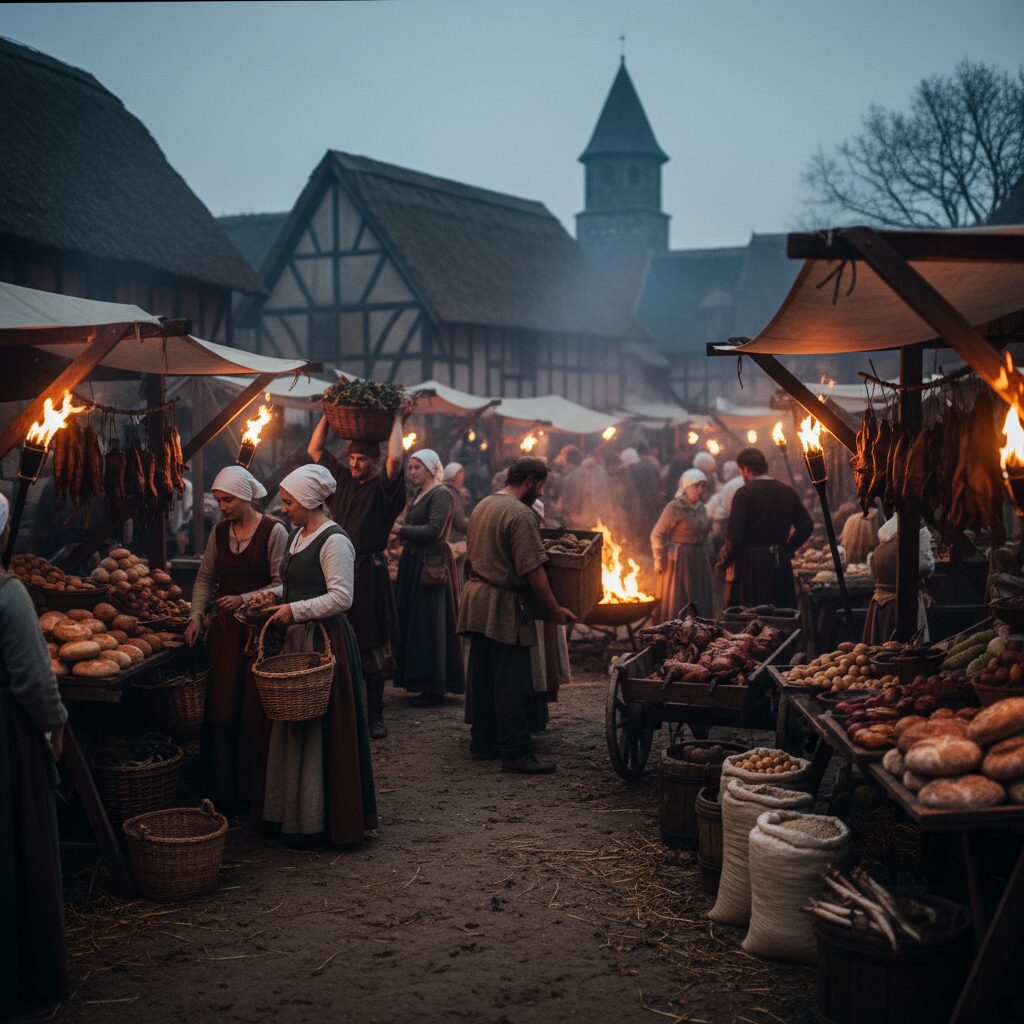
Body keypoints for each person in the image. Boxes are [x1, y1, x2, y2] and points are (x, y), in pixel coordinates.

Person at [259, 465, 377, 846]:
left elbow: (342, 597)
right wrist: (266, 599)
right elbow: (295, 586)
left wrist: (295, 610)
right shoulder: (297, 536)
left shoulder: (334, 540)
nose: (284, 508)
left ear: (309, 501)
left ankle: (323, 819)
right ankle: (294, 815)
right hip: (297, 639)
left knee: (321, 731)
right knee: (296, 727)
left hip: (324, 643)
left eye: (289, 502)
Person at [458, 457, 576, 774]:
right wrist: (553, 608)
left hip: (476, 598)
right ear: (529, 481)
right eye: (541, 486)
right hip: (501, 602)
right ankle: (516, 753)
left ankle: (483, 741)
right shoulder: (521, 514)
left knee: (483, 674)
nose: (541, 492)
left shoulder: (484, 504)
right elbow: (532, 569)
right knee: (512, 679)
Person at [0, 493, 69, 1011]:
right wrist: (55, 722)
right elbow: (34, 680)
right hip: (6, 738)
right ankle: (21, 974)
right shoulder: (9, 595)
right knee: (16, 845)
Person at [185, 466, 287, 814]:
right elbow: (205, 578)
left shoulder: (274, 531)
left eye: (227, 500)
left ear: (245, 497)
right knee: (222, 706)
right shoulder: (219, 533)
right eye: (218, 501)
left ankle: (255, 793)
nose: (221, 507)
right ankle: (224, 792)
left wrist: (244, 599)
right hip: (225, 634)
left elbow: (282, 584)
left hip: (258, 633)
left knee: (253, 709)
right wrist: (195, 616)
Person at [309, 411, 405, 739]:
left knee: (371, 642)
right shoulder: (342, 483)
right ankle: (343, 711)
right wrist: (327, 414)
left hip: (369, 575)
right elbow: (314, 450)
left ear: (374, 462)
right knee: (336, 638)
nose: (354, 464)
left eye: (362, 459)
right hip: (338, 569)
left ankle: (375, 714)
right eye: (351, 458)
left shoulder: (383, 490)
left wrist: (397, 418)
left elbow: (396, 459)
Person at [394, 449, 465, 706]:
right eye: (410, 467)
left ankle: (434, 685)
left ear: (432, 468)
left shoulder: (441, 494)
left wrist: (400, 529)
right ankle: (418, 681)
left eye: (417, 467)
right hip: (415, 560)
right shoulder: (420, 493)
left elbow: (434, 531)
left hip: (432, 563)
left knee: (430, 623)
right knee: (416, 623)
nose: (412, 472)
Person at [719, 447, 814, 608]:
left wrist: (724, 562)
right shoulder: (787, 491)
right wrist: (787, 548)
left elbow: (734, 536)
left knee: (753, 616)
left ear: (745, 469)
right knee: (781, 613)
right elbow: (806, 526)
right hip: (780, 566)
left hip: (751, 569)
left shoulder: (744, 493)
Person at [651, 468, 715, 620]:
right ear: (686, 486)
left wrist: (708, 543)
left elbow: (704, 531)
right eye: (696, 485)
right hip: (680, 559)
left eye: (702, 485)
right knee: (680, 597)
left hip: (699, 558)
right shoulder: (674, 508)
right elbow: (657, 534)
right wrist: (659, 557)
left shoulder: (700, 507)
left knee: (700, 595)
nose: (700, 490)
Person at [862, 515, 935, 644]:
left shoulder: (883, 538)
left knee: (884, 647)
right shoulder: (916, 533)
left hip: (880, 602)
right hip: (904, 605)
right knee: (905, 646)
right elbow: (926, 566)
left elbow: (873, 573)